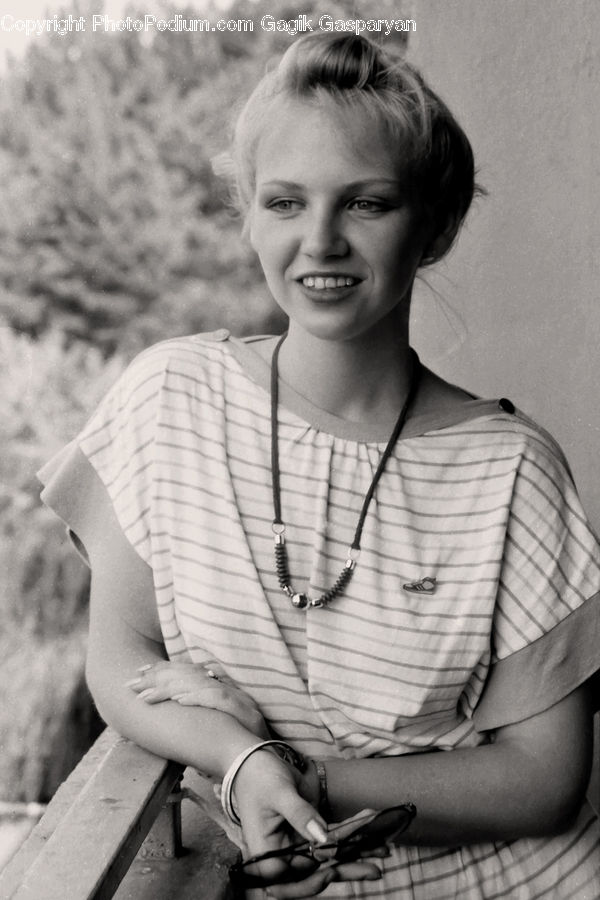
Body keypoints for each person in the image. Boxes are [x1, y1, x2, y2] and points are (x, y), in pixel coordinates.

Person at [38, 32, 600, 899]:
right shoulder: (170, 401)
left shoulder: (511, 472)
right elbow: (121, 665)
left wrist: (298, 776)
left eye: (366, 204)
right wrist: (241, 759)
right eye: (286, 202)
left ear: (435, 223)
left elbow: (544, 780)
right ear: (249, 216)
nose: (322, 240)